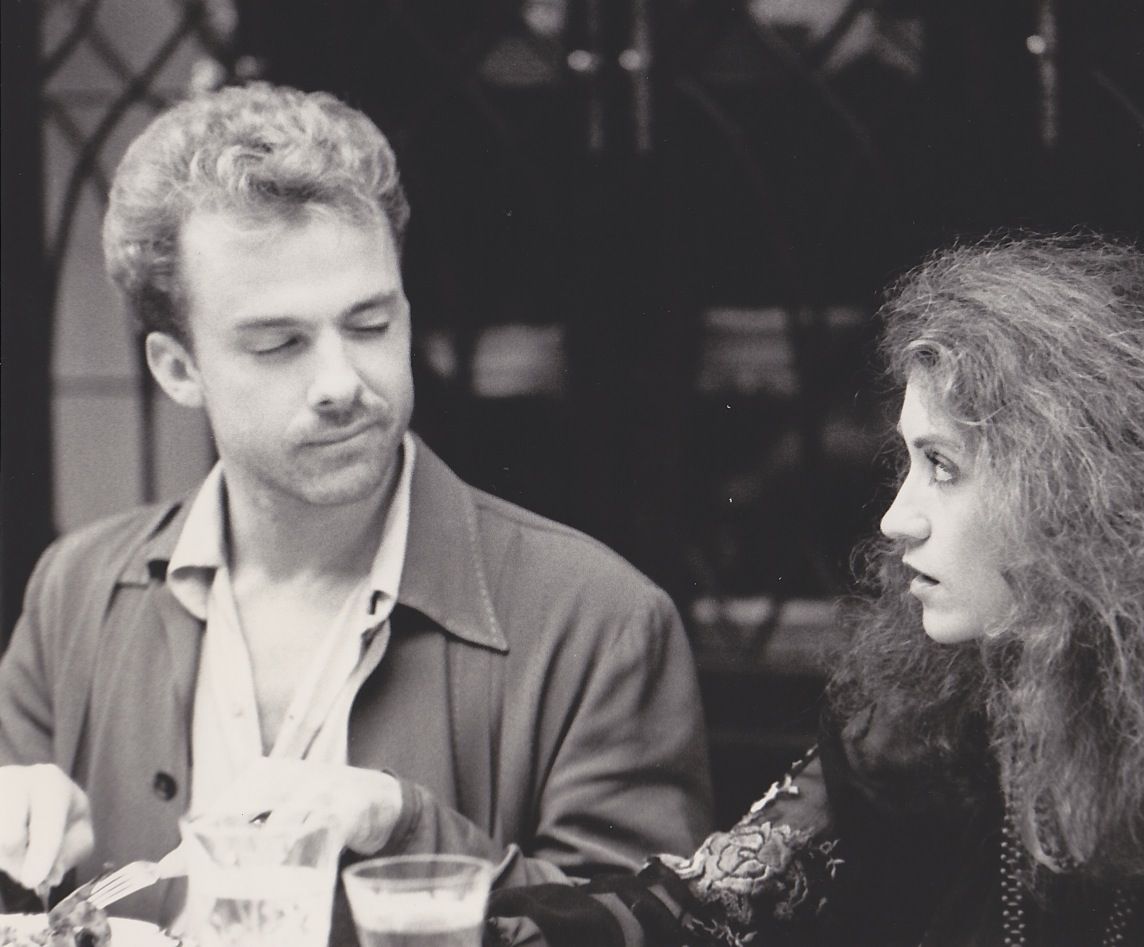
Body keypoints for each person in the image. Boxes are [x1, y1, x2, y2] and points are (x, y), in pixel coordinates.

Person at [485, 236, 1144, 946]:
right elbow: (704, 905)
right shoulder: (909, 723)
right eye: (907, 461)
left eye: (943, 465)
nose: (895, 518)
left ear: (1083, 494)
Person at [0, 82, 712, 933]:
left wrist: (406, 827)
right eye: (279, 344)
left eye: (370, 324)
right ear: (177, 370)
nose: (341, 382)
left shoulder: (600, 619)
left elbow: (652, 927)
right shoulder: (74, 590)